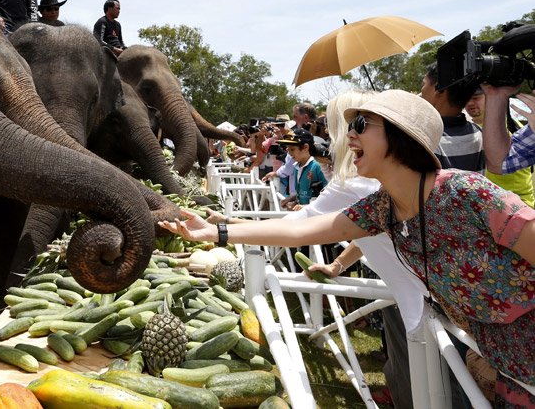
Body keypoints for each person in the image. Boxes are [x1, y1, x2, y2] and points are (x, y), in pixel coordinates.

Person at [160, 89, 535, 406]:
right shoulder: (382, 207)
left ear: (400, 135)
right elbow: (301, 232)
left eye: (361, 126)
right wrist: (214, 234)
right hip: (504, 359)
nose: (349, 136)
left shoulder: (468, 194)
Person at [468, 88, 534, 206]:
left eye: (476, 98)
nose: (470, 103)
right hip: (490, 208)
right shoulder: (469, 130)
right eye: (466, 99)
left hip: (517, 207)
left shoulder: (509, 129)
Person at [420, 64, 484, 172]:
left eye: (423, 84)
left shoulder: (425, 137)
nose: (421, 92)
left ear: (439, 89)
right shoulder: (478, 133)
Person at [276, 130, 328, 209]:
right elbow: (301, 193)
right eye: (288, 150)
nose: (289, 153)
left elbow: (328, 195)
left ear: (305, 147)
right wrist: (293, 199)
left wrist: (305, 207)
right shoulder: (296, 166)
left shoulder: (318, 166)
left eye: (292, 149)